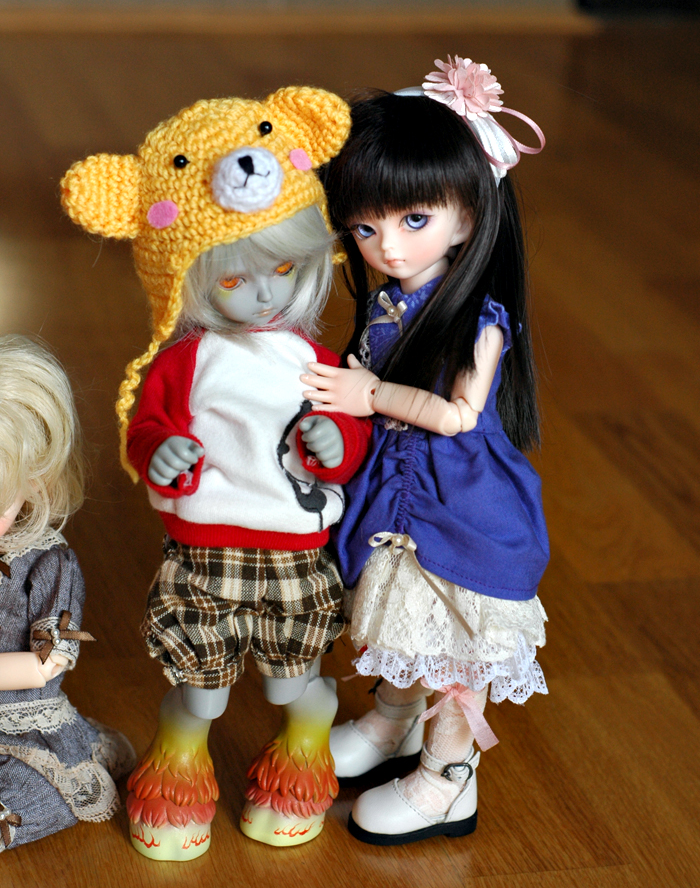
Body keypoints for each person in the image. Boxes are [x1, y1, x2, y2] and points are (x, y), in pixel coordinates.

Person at [61, 87, 370, 857]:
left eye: (284, 270)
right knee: (199, 692)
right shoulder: (187, 362)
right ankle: (177, 773)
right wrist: (160, 451)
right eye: (233, 280)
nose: (265, 295)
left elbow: (353, 430)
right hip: (203, 558)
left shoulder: (314, 360)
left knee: (291, 682)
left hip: (296, 555)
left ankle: (304, 748)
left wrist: (335, 441)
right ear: (187, 280)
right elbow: (149, 428)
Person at [300, 56, 550, 845]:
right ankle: (392, 722)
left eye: (414, 221)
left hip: (461, 501)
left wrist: (370, 395)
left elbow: (455, 416)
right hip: (398, 495)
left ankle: (449, 777)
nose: (389, 247)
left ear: (468, 218)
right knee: (393, 611)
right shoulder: (387, 304)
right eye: (366, 227)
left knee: (449, 636)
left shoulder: (479, 321)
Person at [0, 335, 134, 851]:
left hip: (23, 725)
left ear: (33, 485)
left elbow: (48, 660)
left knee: (28, 796)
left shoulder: (46, 563)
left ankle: (91, 750)